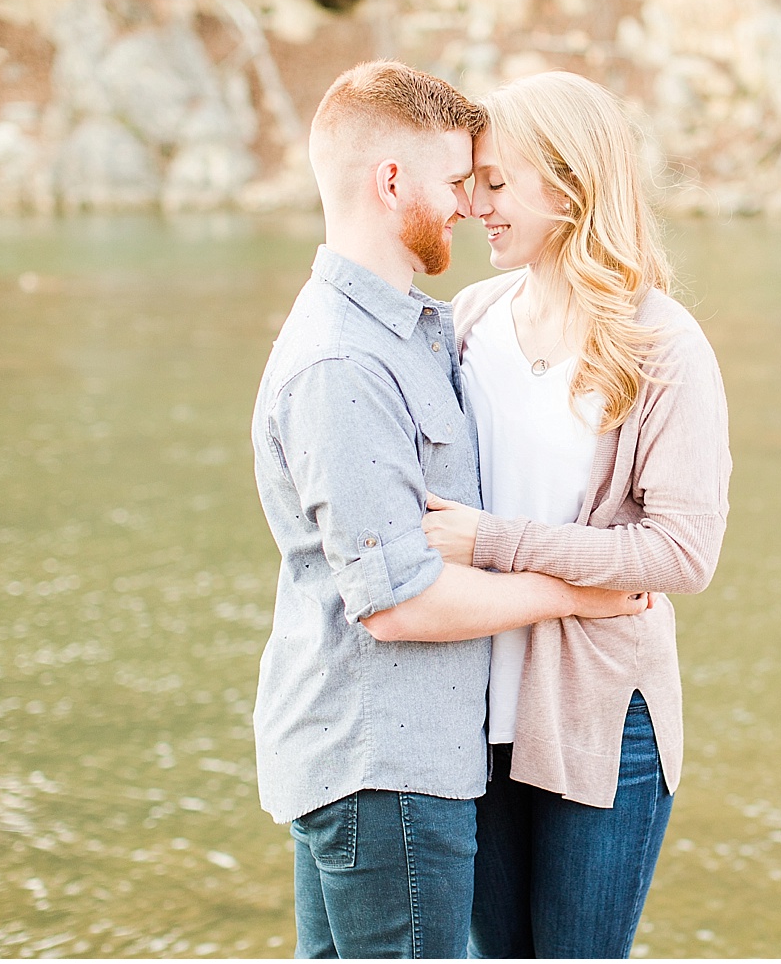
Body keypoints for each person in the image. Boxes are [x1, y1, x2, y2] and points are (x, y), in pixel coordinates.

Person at [249, 60, 648, 960]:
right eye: (455, 179)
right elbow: (399, 603)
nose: (471, 204)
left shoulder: (422, 332)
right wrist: (580, 593)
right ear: (391, 182)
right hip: (384, 773)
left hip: (395, 768)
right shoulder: (345, 364)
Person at [420, 71, 732, 959]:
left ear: (567, 186)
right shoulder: (469, 320)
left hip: (603, 715)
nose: (475, 203)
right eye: (472, 182)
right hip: (474, 708)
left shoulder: (663, 346)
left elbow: (682, 553)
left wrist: (493, 542)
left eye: (496, 182)